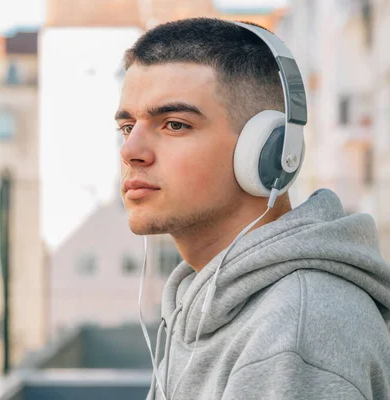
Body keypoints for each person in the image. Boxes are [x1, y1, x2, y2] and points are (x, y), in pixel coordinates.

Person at [116, 17, 390, 399]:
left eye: (174, 124)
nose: (130, 152)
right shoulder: (204, 304)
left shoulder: (294, 331)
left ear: (269, 150)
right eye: (128, 127)